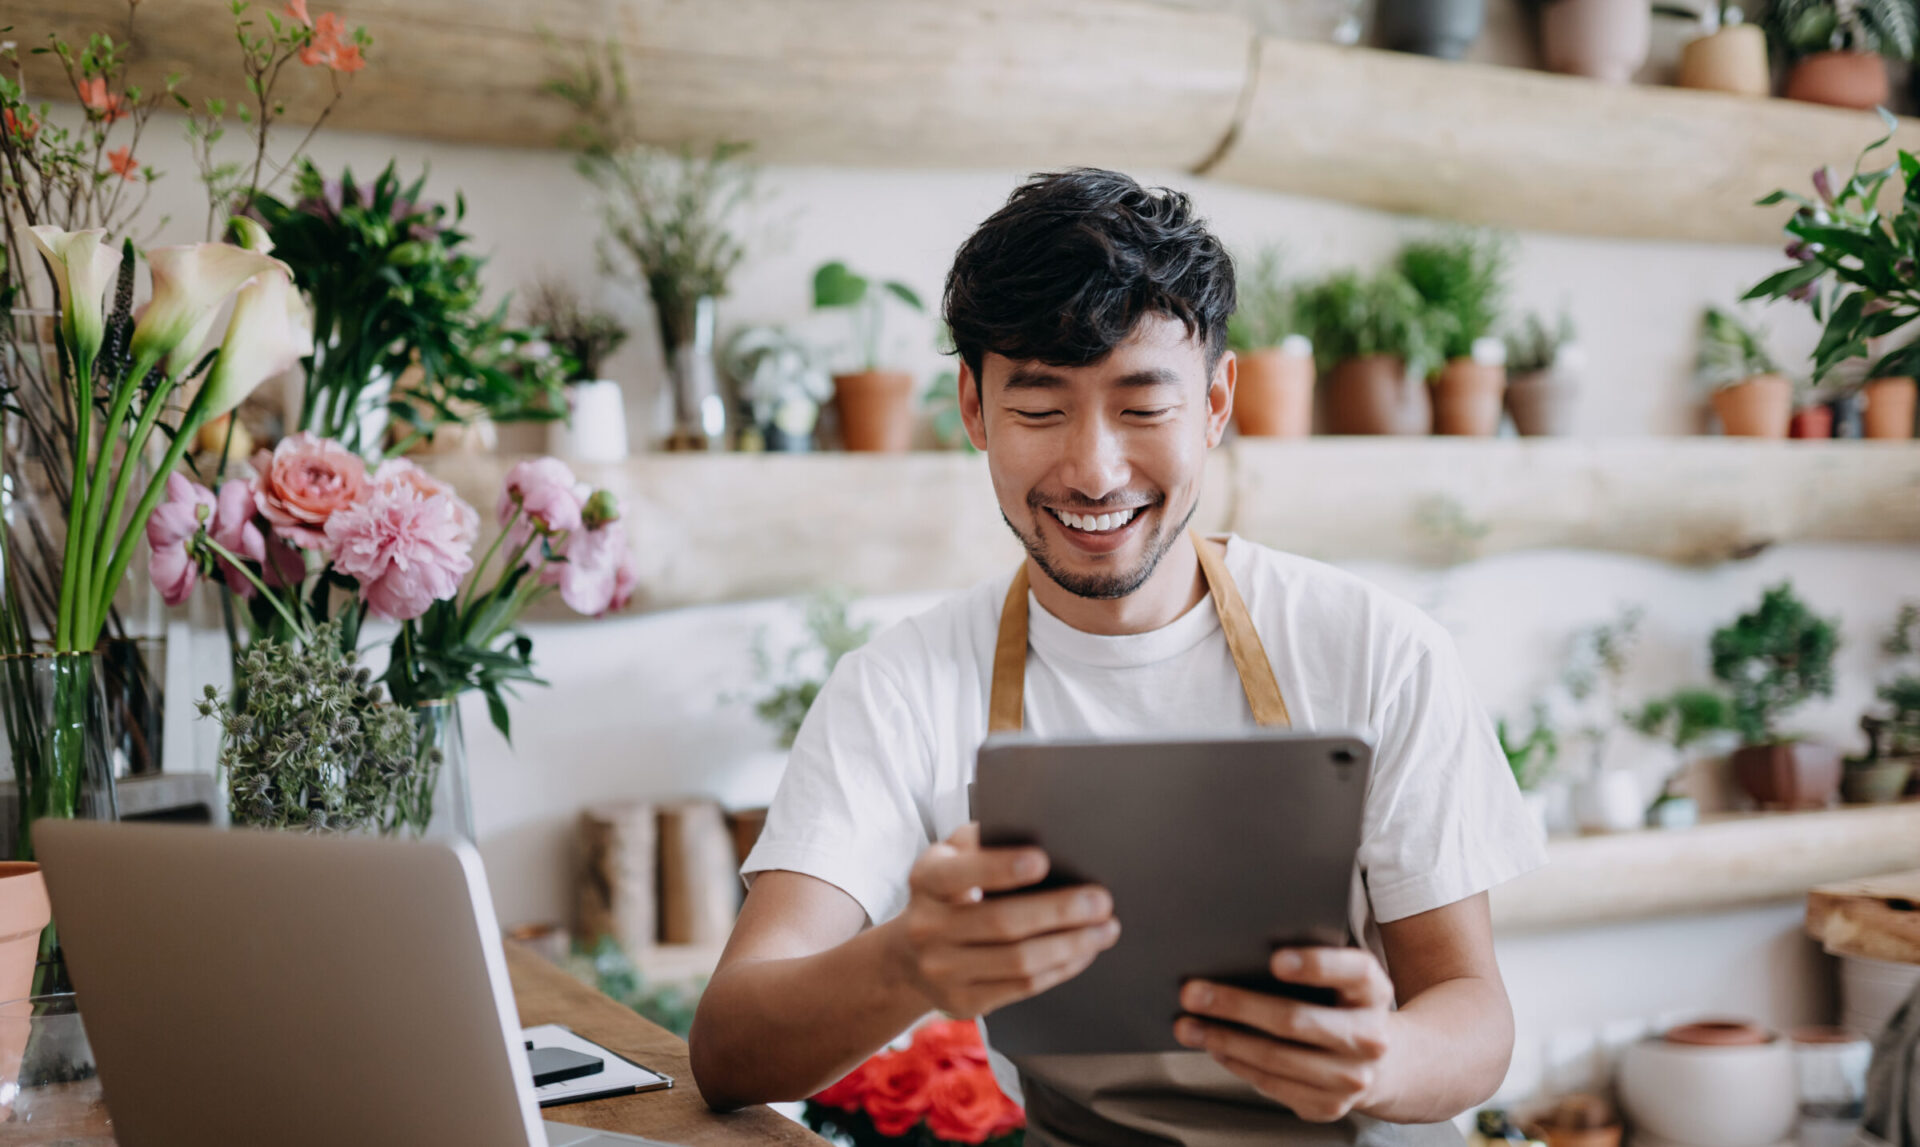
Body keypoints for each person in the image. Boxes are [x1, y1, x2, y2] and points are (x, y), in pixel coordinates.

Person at [688, 168, 1546, 1145]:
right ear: (973, 409)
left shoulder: (1374, 650)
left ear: (1218, 401)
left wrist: (1381, 1057)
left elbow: (1473, 1012)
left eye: (1143, 407)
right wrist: (908, 966)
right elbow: (725, 1047)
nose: (1094, 470)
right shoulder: (900, 687)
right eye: (1041, 409)